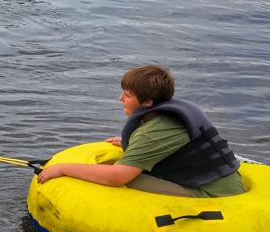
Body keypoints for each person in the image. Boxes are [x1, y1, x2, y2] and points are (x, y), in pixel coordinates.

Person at [36, 65, 245, 198]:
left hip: (211, 193)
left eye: (127, 95)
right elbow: (170, 144)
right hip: (226, 181)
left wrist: (63, 169)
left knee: (126, 180)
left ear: (147, 102)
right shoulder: (168, 117)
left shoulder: (154, 133)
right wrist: (133, 144)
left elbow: (117, 177)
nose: (120, 99)